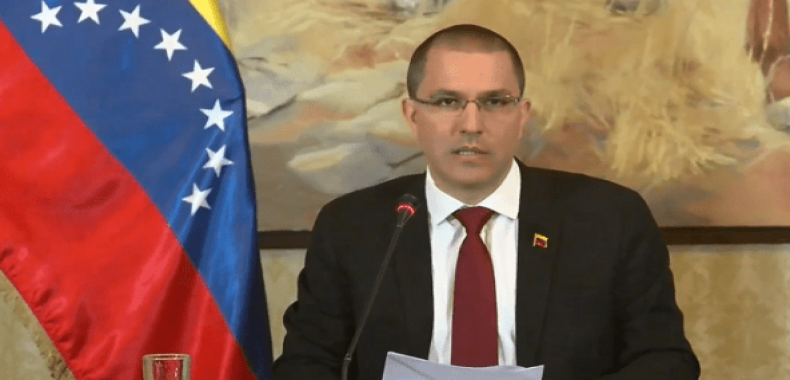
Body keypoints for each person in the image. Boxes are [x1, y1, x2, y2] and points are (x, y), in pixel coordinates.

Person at [272, 24, 700, 380]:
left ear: (522, 114)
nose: (471, 125)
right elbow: (305, 364)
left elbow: (665, 361)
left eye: (495, 102)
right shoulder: (352, 226)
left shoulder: (610, 218)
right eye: (447, 102)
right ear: (412, 115)